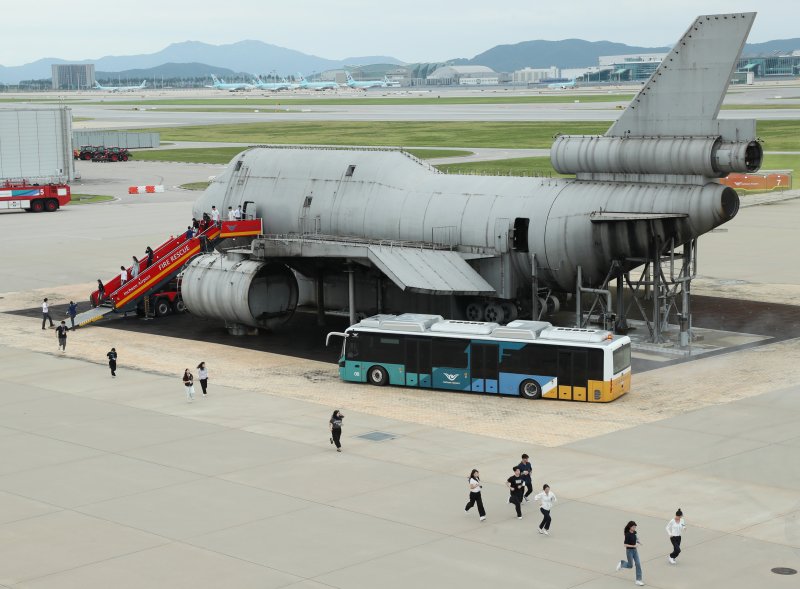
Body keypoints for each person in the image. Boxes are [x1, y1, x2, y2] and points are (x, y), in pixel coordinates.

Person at [616, 520, 644, 586]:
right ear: (630, 527)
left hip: (635, 551)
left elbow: (636, 538)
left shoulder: (634, 532)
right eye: (633, 527)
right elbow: (625, 545)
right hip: (629, 551)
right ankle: (622, 563)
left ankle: (638, 580)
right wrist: (633, 545)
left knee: (638, 564)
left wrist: (638, 541)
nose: (634, 528)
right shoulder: (627, 534)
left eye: (635, 527)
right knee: (630, 565)